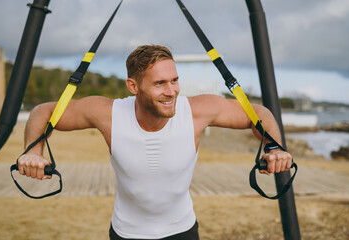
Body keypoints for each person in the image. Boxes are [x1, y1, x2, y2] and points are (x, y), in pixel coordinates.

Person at [18, 45, 292, 240]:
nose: (171, 91)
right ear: (133, 86)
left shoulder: (196, 110)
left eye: (174, 80)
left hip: (182, 231)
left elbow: (259, 114)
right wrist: (33, 151)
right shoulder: (108, 113)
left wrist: (273, 147)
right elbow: (43, 111)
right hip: (126, 233)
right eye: (160, 83)